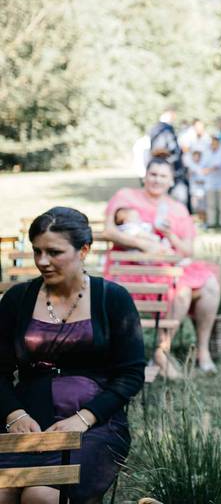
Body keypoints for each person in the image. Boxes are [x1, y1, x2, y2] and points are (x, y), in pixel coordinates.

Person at [0, 208, 145, 504]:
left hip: (94, 421)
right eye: (37, 251)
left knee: (40, 496)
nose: (42, 261)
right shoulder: (18, 299)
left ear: (84, 251)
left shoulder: (113, 298)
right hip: (27, 418)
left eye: (54, 252)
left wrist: (84, 418)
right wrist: (14, 414)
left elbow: (131, 374)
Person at [103, 158, 221, 375]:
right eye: (153, 174)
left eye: (163, 176)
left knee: (210, 285)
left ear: (171, 180)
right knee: (182, 288)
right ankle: (162, 351)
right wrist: (142, 243)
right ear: (145, 176)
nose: (157, 180)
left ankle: (202, 350)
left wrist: (169, 235)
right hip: (132, 269)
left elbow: (187, 250)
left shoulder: (177, 208)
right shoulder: (125, 196)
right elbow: (109, 231)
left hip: (169, 266)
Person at [148, 107, 189, 208]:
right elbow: (159, 150)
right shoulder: (163, 129)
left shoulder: (160, 128)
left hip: (172, 170)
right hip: (168, 170)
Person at [202, 135, 221, 229]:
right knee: (210, 204)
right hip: (210, 182)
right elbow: (203, 165)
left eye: (216, 142)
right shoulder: (206, 152)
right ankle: (211, 223)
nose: (214, 144)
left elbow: (217, 165)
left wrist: (207, 170)